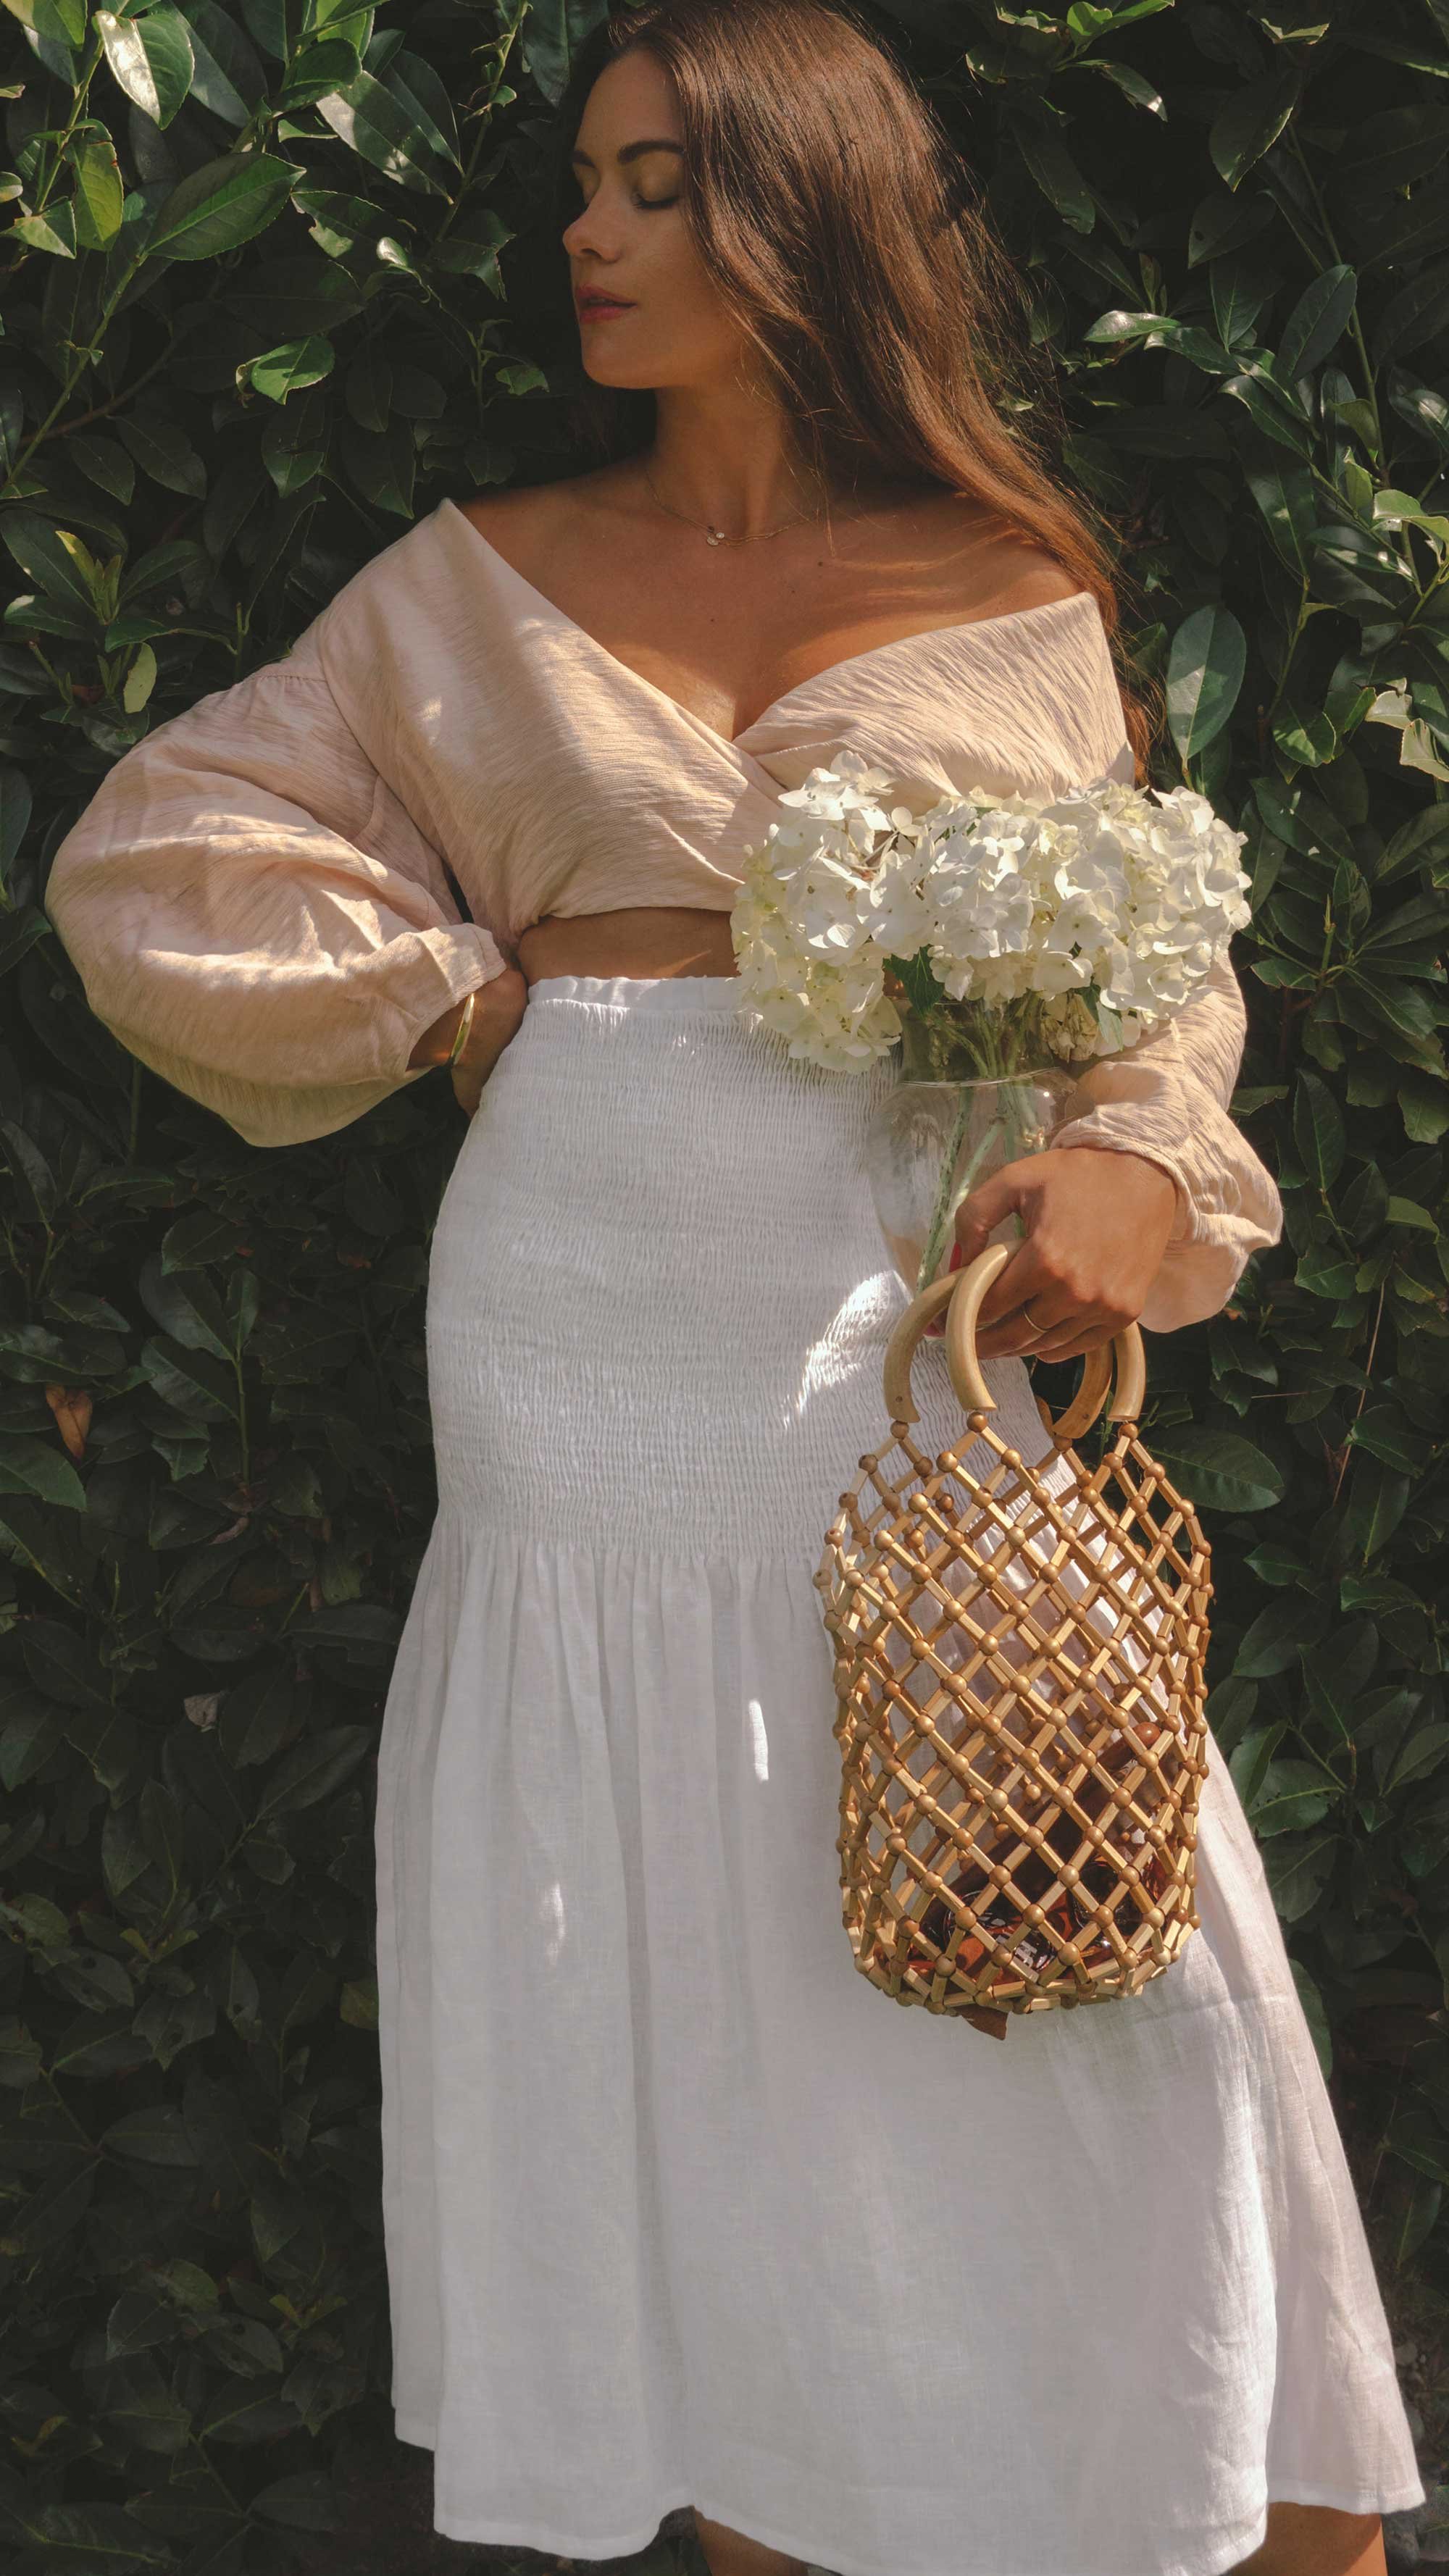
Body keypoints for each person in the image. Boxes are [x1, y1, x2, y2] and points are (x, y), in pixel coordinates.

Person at [42, 4, 1422, 2572]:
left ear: (807, 211)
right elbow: (160, 852)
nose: (588, 231)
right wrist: (460, 994)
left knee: (1118, 1966)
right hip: (580, 1338)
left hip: (906, 1337)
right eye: (586, 180)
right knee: (682, 1968)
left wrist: (1135, 1164)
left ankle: (1245, 2497)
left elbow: (1164, 998)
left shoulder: (1017, 596)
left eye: (660, 183)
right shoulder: (471, 579)